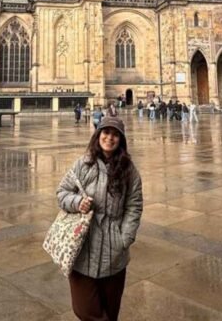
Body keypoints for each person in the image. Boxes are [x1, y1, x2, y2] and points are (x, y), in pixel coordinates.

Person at [57, 116, 142, 321]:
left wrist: (125, 238)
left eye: (115, 135)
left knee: (111, 312)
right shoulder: (83, 164)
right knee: (86, 310)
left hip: (114, 251)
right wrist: (77, 202)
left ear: (121, 140)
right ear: (98, 135)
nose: (110, 138)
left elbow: (134, 205)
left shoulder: (129, 170)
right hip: (82, 247)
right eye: (106, 133)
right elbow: (62, 193)